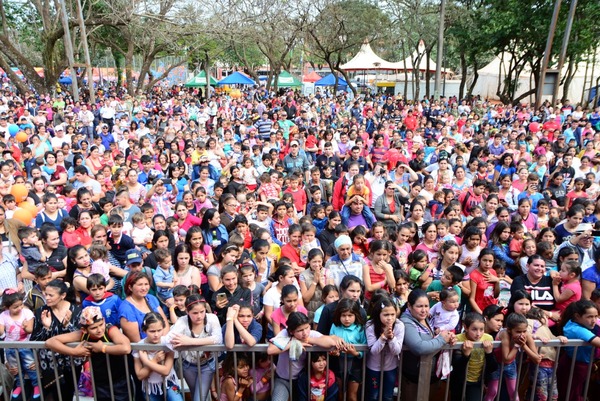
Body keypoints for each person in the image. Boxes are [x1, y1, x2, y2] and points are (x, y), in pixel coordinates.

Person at [46, 306, 132, 401]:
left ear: (104, 320)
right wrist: (74, 352)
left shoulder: (110, 330)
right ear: (84, 330)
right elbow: (50, 342)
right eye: (94, 328)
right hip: (99, 382)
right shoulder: (83, 334)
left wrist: (102, 348)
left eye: (101, 324)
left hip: (120, 381)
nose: (99, 330)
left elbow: (126, 348)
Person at [267, 312, 344, 401]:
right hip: (283, 379)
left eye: (307, 328)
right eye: (300, 330)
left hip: (303, 380)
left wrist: (309, 340)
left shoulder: (311, 334)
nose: (304, 333)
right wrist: (292, 343)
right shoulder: (284, 333)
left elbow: (331, 342)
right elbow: (270, 350)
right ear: (291, 331)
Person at [30, 280, 82, 400]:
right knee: (54, 395)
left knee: (69, 394)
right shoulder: (41, 312)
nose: (46, 298)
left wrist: (67, 325)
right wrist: (46, 328)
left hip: (72, 362)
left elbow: (80, 335)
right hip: (50, 363)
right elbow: (35, 339)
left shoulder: (76, 311)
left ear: (63, 295)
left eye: (51, 295)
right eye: (45, 294)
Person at [164, 295, 223, 401]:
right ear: (187, 311)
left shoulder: (212, 318)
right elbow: (169, 339)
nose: (199, 316)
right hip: (188, 365)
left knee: (199, 398)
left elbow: (218, 339)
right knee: (195, 394)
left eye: (202, 311)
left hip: (207, 365)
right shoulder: (182, 321)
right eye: (195, 313)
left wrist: (189, 342)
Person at [400, 289, 456, 401]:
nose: (424, 310)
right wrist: (441, 340)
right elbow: (419, 347)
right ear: (409, 306)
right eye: (419, 306)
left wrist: (449, 338)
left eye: (426, 306)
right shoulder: (406, 322)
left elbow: (434, 338)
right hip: (415, 377)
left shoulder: (428, 318)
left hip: (431, 374)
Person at [133, 312, 183, 401]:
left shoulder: (167, 342)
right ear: (144, 330)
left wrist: (147, 362)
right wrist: (155, 360)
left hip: (169, 383)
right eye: (152, 331)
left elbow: (166, 370)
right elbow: (140, 375)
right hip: (150, 387)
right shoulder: (139, 346)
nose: (156, 335)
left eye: (159, 330)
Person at [0, 289, 38, 399]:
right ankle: (19, 385)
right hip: (10, 347)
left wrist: (26, 327)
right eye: (15, 307)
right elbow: (2, 332)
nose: (20, 308)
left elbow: (30, 330)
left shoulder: (27, 313)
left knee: (30, 366)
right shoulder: (3, 315)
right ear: (7, 308)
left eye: (21, 305)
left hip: (25, 345)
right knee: (15, 369)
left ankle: (36, 386)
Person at [450, 312, 496, 401]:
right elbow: (456, 366)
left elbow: (493, 367)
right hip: (459, 381)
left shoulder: (488, 338)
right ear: (466, 327)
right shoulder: (458, 339)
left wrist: (489, 353)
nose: (478, 334)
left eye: (481, 329)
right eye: (474, 329)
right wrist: (465, 355)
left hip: (477, 382)